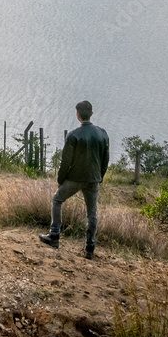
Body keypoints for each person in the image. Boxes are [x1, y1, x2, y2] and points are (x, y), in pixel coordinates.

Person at [38, 100, 109, 259]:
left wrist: (60, 180)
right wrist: (100, 177)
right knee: (92, 214)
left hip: (75, 178)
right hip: (93, 179)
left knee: (57, 200)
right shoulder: (103, 133)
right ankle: (90, 248)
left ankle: (54, 236)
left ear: (77, 115)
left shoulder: (73, 135)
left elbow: (66, 162)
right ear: (91, 113)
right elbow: (105, 160)